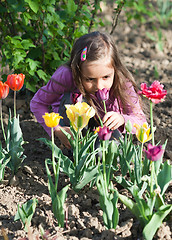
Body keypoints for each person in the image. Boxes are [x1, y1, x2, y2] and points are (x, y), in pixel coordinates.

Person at [30, 31, 147, 149]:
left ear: (115, 70)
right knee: (69, 100)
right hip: (74, 128)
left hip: (105, 127)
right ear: (77, 72)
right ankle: (73, 148)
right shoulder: (66, 76)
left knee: (108, 154)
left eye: (106, 77)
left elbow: (141, 122)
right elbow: (38, 103)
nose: (100, 86)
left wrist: (122, 119)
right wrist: (57, 130)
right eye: (90, 79)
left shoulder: (122, 83)